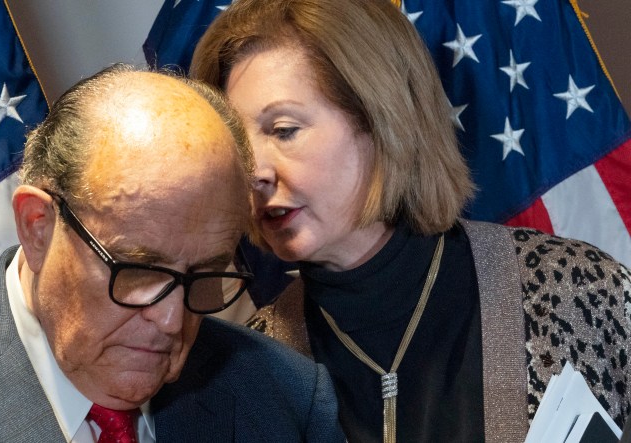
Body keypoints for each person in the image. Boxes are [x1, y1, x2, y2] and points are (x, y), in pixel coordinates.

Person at [189, 0, 631, 441]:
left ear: (382, 119)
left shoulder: (576, 290)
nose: (253, 171)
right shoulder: (250, 371)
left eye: (284, 130)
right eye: (238, 145)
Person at [0, 64, 346, 442]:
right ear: (38, 226)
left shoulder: (284, 397)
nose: (172, 321)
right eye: (139, 270)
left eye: (204, 274)